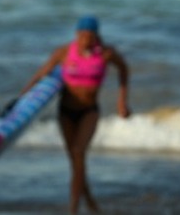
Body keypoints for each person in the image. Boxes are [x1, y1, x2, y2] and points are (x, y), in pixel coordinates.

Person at [21, 16, 131, 214]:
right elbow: (41, 74)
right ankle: (90, 202)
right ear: (76, 34)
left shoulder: (106, 53)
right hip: (65, 111)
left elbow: (124, 69)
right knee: (75, 161)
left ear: (96, 35)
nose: (85, 39)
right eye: (81, 35)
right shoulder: (64, 52)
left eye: (89, 36)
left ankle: (74, 209)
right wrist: (22, 98)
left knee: (79, 152)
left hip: (89, 111)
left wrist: (122, 101)